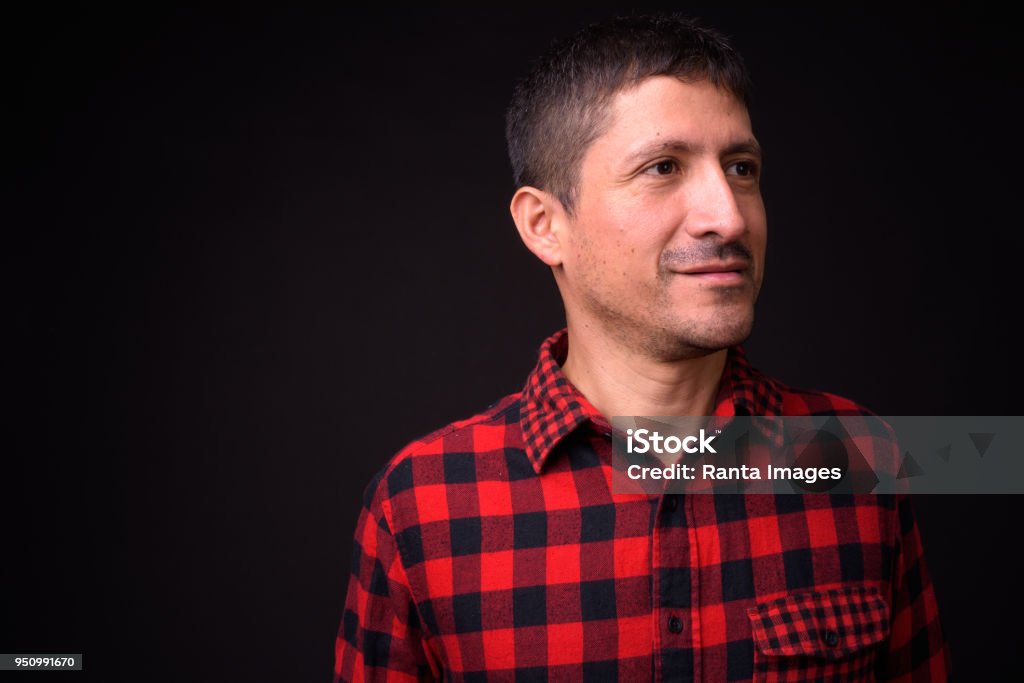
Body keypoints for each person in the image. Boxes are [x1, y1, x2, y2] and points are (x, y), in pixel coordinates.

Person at [332, 12, 950, 682]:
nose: (730, 215)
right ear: (545, 226)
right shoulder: (421, 506)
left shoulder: (861, 460)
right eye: (663, 167)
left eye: (741, 167)